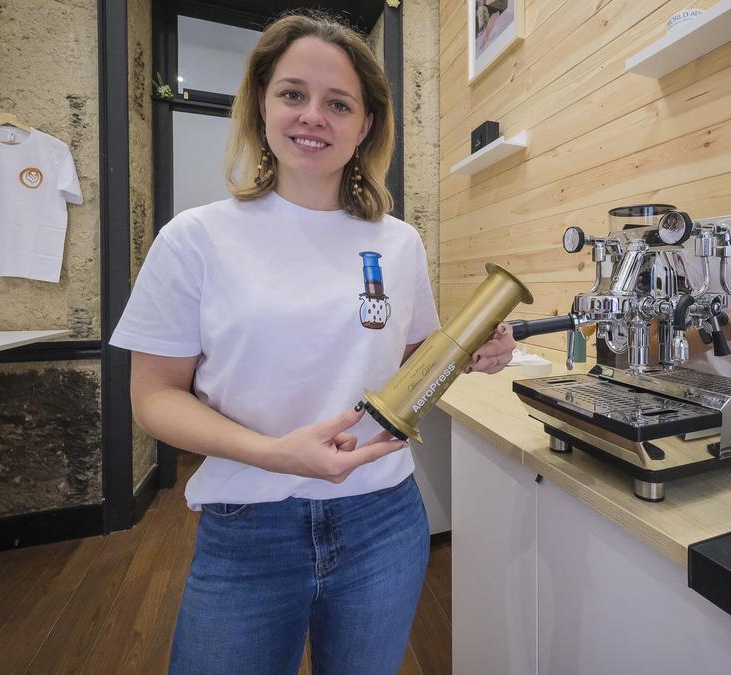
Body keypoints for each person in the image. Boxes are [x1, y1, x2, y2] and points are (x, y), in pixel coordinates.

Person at [109, 11, 516, 674]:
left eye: (339, 103)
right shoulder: (196, 238)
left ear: (365, 126)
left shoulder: (398, 242)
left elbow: (410, 363)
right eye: (293, 94)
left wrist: (468, 355)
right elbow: (154, 396)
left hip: (384, 521)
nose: (313, 116)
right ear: (262, 105)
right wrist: (274, 452)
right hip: (248, 527)